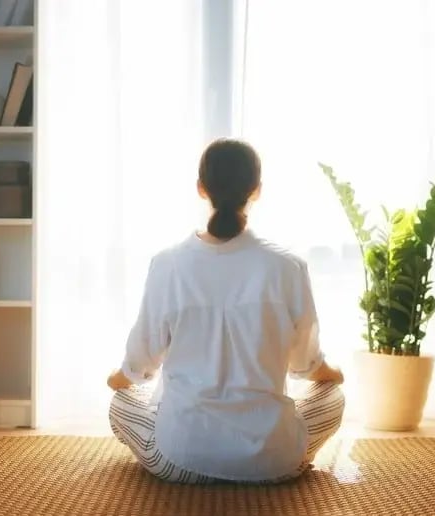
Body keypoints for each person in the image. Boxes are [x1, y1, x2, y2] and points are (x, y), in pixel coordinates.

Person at [106, 138, 345, 484]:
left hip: (178, 460)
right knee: (332, 397)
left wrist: (117, 380)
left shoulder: (167, 265)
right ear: (257, 191)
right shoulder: (289, 267)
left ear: (201, 189)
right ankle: (274, 454)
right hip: (273, 465)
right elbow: (305, 366)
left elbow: (139, 365)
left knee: (121, 403)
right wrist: (332, 374)